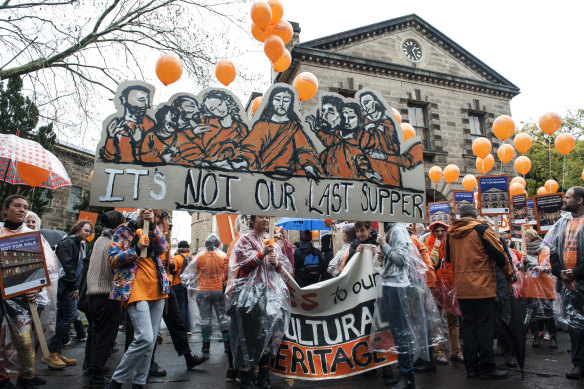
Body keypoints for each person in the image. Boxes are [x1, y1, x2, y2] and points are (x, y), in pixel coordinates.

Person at [446, 205, 514, 379]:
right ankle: (487, 368)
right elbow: (500, 255)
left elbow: (447, 257)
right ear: (475, 216)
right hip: (482, 288)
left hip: (462, 288)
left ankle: (471, 368)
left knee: (468, 328)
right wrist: (509, 275)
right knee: (485, 328)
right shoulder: (482, 230)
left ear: (461, 216)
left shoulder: (451, 233)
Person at [106, 209, 169, 389]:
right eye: (152, 214)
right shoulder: (122, 231)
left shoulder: (153, 230)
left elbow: (162, 248)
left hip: (157, 288)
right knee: (145, 338)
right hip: (133, 288)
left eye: (158, 217)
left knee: (150, 343)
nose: (155, 218)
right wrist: (135, 250)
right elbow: (112, 259)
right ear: (141, 211)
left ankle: (139, 382)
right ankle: (116, 381)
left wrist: (154, 228)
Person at [227, 216, 292, 389]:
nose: (265, 220)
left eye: (267, 217)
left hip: (270, 294)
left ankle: (264, 376)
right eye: (261, 217)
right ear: (253, 221)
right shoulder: (244, 240)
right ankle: (246, 377)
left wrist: (276, 263)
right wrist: (261, 253)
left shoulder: (273, 242)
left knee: (268, 335)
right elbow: (242, 266)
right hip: (249, 296)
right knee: (247, 337)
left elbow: (283, 271)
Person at [0, 196, 59, 388]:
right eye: (17, 205)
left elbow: (48, 266)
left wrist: (37, 287)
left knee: (24, 340)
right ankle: (3, 377)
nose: (21, 210)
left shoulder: (33, 236)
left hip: (24, 297)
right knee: (1, 340)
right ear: (5, 209)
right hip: (1, 296)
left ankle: (26, 375)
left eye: (25, 207)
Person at [374, 222, 432, 389]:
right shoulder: (389, 230)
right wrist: (382, 256)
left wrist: (384, 246)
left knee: (401, 332)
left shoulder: (397, 230)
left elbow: (401, 260)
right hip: (390, 284)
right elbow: (393, 259)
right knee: (396, 331)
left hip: (398, 286)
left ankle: (407, 377)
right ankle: (403, 372)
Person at [43, 220, 93, 369]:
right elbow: (66, 266)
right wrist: (74, 286)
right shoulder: (69, 243)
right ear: (77, 229)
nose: (87, 233)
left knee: (64, 314)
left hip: (69, 285)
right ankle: (52, 349)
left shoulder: (78, 243)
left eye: (89, 231)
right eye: (85, 230)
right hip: (67, 286)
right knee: (71, 315)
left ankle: (56, 351)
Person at [240, 86, 321, 177]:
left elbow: (304, 149)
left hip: (290, 177)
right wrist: (244, 160)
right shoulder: (262, 125)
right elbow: (250, 148)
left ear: (290, 104)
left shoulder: (294, 127)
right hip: (265, 175)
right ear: (271, 102)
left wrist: (308, 165)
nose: (281, 104)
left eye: (286, 100)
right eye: (277, 99)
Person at [84, 211, 125, 386]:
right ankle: (97, 376)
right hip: (107, 295)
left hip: (93, 295)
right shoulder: (113, 243)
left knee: (94, 333)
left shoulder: (99, 240)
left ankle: (92, 366)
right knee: (104, 337)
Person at [549, 186, 584, 379]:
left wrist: (576, 271)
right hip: (569, 284)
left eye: (568, 197)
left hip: (580, 279)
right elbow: (553, 250)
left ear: (579, 200)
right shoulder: (561, 222)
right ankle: (579, 364)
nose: (565, 201)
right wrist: (559, 272)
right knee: (575, 325)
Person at [424, 222, 462, 365]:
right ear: (432, 233)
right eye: (437, 231)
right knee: (436, 320)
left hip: (451, 286)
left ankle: (456, 352)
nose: (440, 233)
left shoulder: (452, 245)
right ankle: (439, 352)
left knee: (454, 320)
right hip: (437, 287)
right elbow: (431, 263)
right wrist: (436, 247)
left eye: (442, 231)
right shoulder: (428, 245)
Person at [189, 234, 229, 354]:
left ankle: (205, 346)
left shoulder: (200, 257)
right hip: (218, 290)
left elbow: (194, 273)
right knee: (222, 317)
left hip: (203, 291)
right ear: (218, 244)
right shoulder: (222, 256)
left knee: (205, 319)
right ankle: (227, 346)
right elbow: (228, 274)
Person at [100, 85, 154, 163]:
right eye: (141, 100)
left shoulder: (150, 124)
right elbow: (107, 160)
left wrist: (138, 142)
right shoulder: (115, 126)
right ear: (124, 100)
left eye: (147, 100)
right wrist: (111, 138)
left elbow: (153, 159)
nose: (147, 105)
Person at [522, 229, 557, 349]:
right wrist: (523, 263)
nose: (524, 239)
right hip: (530, 286)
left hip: (544, 285)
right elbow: (521, 268)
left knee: (548, 312)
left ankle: (553, 337)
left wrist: (542, 268)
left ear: (531, 237)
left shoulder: (544, 249)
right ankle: (536, 336)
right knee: (533, 314)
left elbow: (550, 265)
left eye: (525, 236)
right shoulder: (524, 252)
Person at [169, 241, 192, 334]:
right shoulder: (192, 258)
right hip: (189, 284)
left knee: (180, 306)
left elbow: (173, 271)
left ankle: (182, 328)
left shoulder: (176, 258)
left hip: (178, 283)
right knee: (186, 306)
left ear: (179, 248)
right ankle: (188, 328)